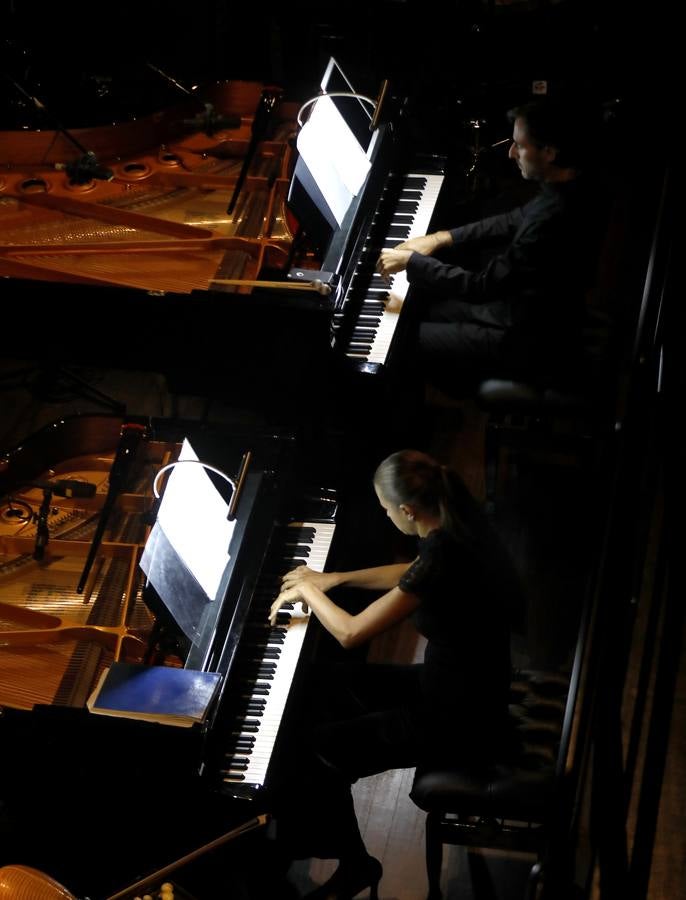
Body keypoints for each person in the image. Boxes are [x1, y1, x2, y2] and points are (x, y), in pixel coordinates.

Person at [267, 449, 521, 899]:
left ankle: (355, 865)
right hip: (461, 684)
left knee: (318, 748)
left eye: (385, 509)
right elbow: (413, 574)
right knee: (325, 682)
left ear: (407, 509)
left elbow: (350, 633)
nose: (385, 516)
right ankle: (301, 816)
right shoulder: (458, 526)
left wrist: (309, 590)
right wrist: (334, 579)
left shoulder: (443, 551)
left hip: (455, 717)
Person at [376, 95, 608, 396]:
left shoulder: (551, 222)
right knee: (425, 310)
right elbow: (513, 219)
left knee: (401, 341)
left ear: (549, 152)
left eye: (520, 145)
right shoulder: (572, 184)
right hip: (535, 309)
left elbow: (481, 287)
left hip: (530, 337)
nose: (511, 153)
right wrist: (441, 237)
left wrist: (412, 262)